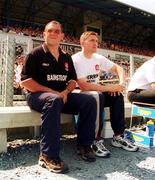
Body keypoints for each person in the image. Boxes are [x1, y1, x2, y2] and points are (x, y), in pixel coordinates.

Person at [20, 21, 97, 174]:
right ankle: (48, 155)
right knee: (53, 100)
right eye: (50, 31)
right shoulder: (35, 54)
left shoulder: (66, 57)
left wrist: (66, 92)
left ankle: (84, 145)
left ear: (62, 35)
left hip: (61, 97)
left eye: (57, 31)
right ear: (44, 34)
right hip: (38, 96)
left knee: (89, 100)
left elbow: (73, 81)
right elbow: (25, 82)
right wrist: (52, 92)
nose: (53, 33)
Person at [72, 31, 138, 158]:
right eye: (91, 40)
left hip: (97, 92)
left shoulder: (98, 58)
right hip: (80, 95)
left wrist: (120, 84)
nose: (95, 43)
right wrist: (109, 87)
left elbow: (119, 68)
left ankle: (118, 136)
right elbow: (84, 85)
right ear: (82, 43)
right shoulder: (76, 59)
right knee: (98, 95)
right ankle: (95, 139)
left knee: (116, 95)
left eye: (96, 41)